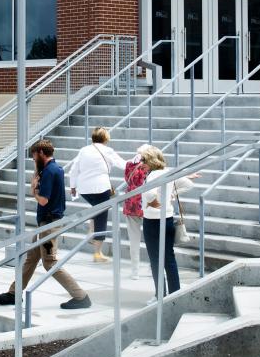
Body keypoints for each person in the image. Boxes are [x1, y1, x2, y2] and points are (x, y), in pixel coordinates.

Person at [0, 138, 90, 311]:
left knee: (50, 263)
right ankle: (14, 293)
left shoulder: (50, 172)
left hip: (49, 224)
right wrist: (38, 171)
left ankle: (80, 296)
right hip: (46, 223)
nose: (32, 159)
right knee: (31, 259)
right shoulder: (53, 169)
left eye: (34, 155)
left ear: (41, 153)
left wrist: (33, 191)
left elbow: (43, 200)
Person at [140, 146, 197, 298]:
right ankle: (175, 294)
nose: (141, 163)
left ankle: (160, 295)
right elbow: (189, 184)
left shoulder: (152, 176)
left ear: (151, 160)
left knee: (155, 260)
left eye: (143, 160)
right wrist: (171, 194)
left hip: (152, 221)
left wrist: (152, 201)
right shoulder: (169, 172)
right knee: (169, 259)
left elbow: (149, 193)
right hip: (168, 219)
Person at [67, 127, 127, 262]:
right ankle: (97, 253)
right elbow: (123, 164)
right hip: (101, 187)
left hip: (84, 189)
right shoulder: (107, 150)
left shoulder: (84, 150)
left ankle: (91, 232)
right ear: (106, 138)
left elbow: (73, 170)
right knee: (101, 217)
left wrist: (72, 186)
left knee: (96, 209)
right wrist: (138, 162)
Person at [123, 143, 154, 280]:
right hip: (146, 205)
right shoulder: (149, 167)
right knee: (152, 239)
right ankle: (151, 267)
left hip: (131, 205)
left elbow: (127, 180)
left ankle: (135, 271)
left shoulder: (129, 164)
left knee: (134, 240)